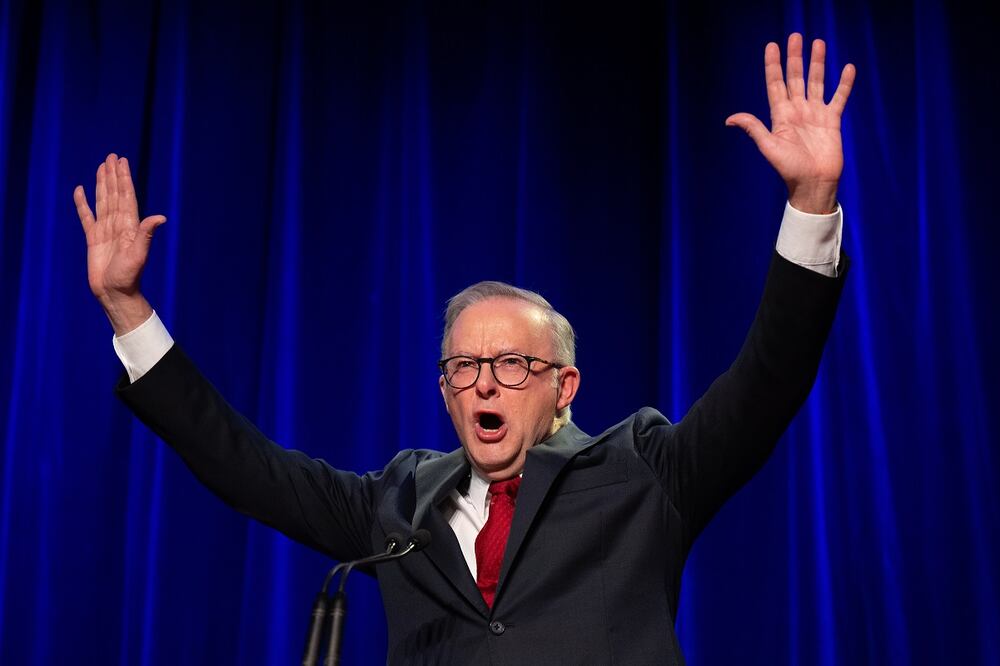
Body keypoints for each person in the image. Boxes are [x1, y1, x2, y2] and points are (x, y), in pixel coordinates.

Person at [75, 33, 855, 664]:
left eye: (513, 366)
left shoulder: (645, 470)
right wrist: (128, 308)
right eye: (464, 368)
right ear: (445, 390)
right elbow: (242, 464)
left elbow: (769, 380)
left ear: (565, 386)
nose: (485, 385)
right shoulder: (398, 504)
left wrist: (811, 204)